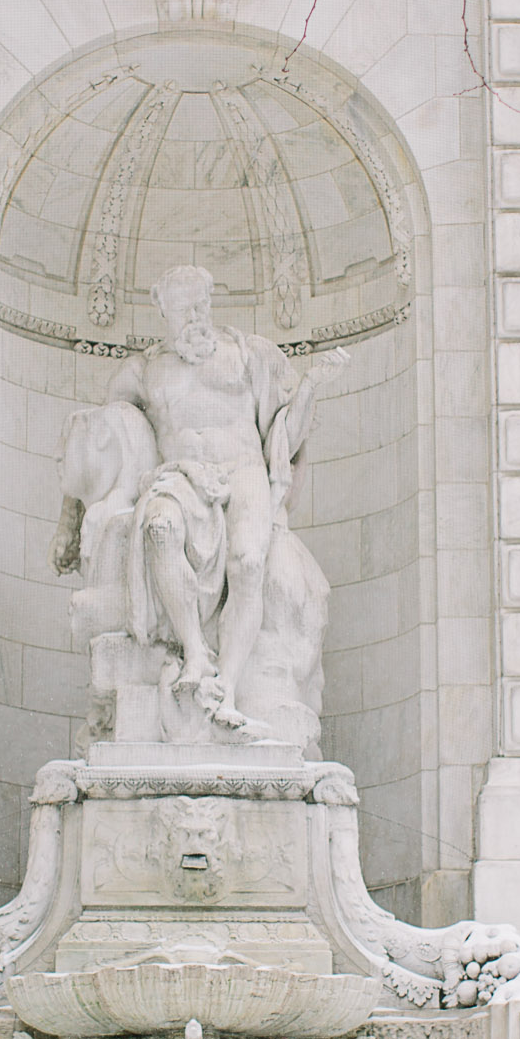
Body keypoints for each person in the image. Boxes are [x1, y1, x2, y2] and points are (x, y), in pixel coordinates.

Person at [102, 265, 337, 733]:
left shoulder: (248, 355)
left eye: (202, 305)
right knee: (159, 528)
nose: (196, 317)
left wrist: (310, 388)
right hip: (180, 478)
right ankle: (194, 655)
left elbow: (284, 435)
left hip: (243, 471)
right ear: (160, 307)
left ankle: (227, 686)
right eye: (184, 308)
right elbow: (108, 444)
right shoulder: (140, 372)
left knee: (249, 563)